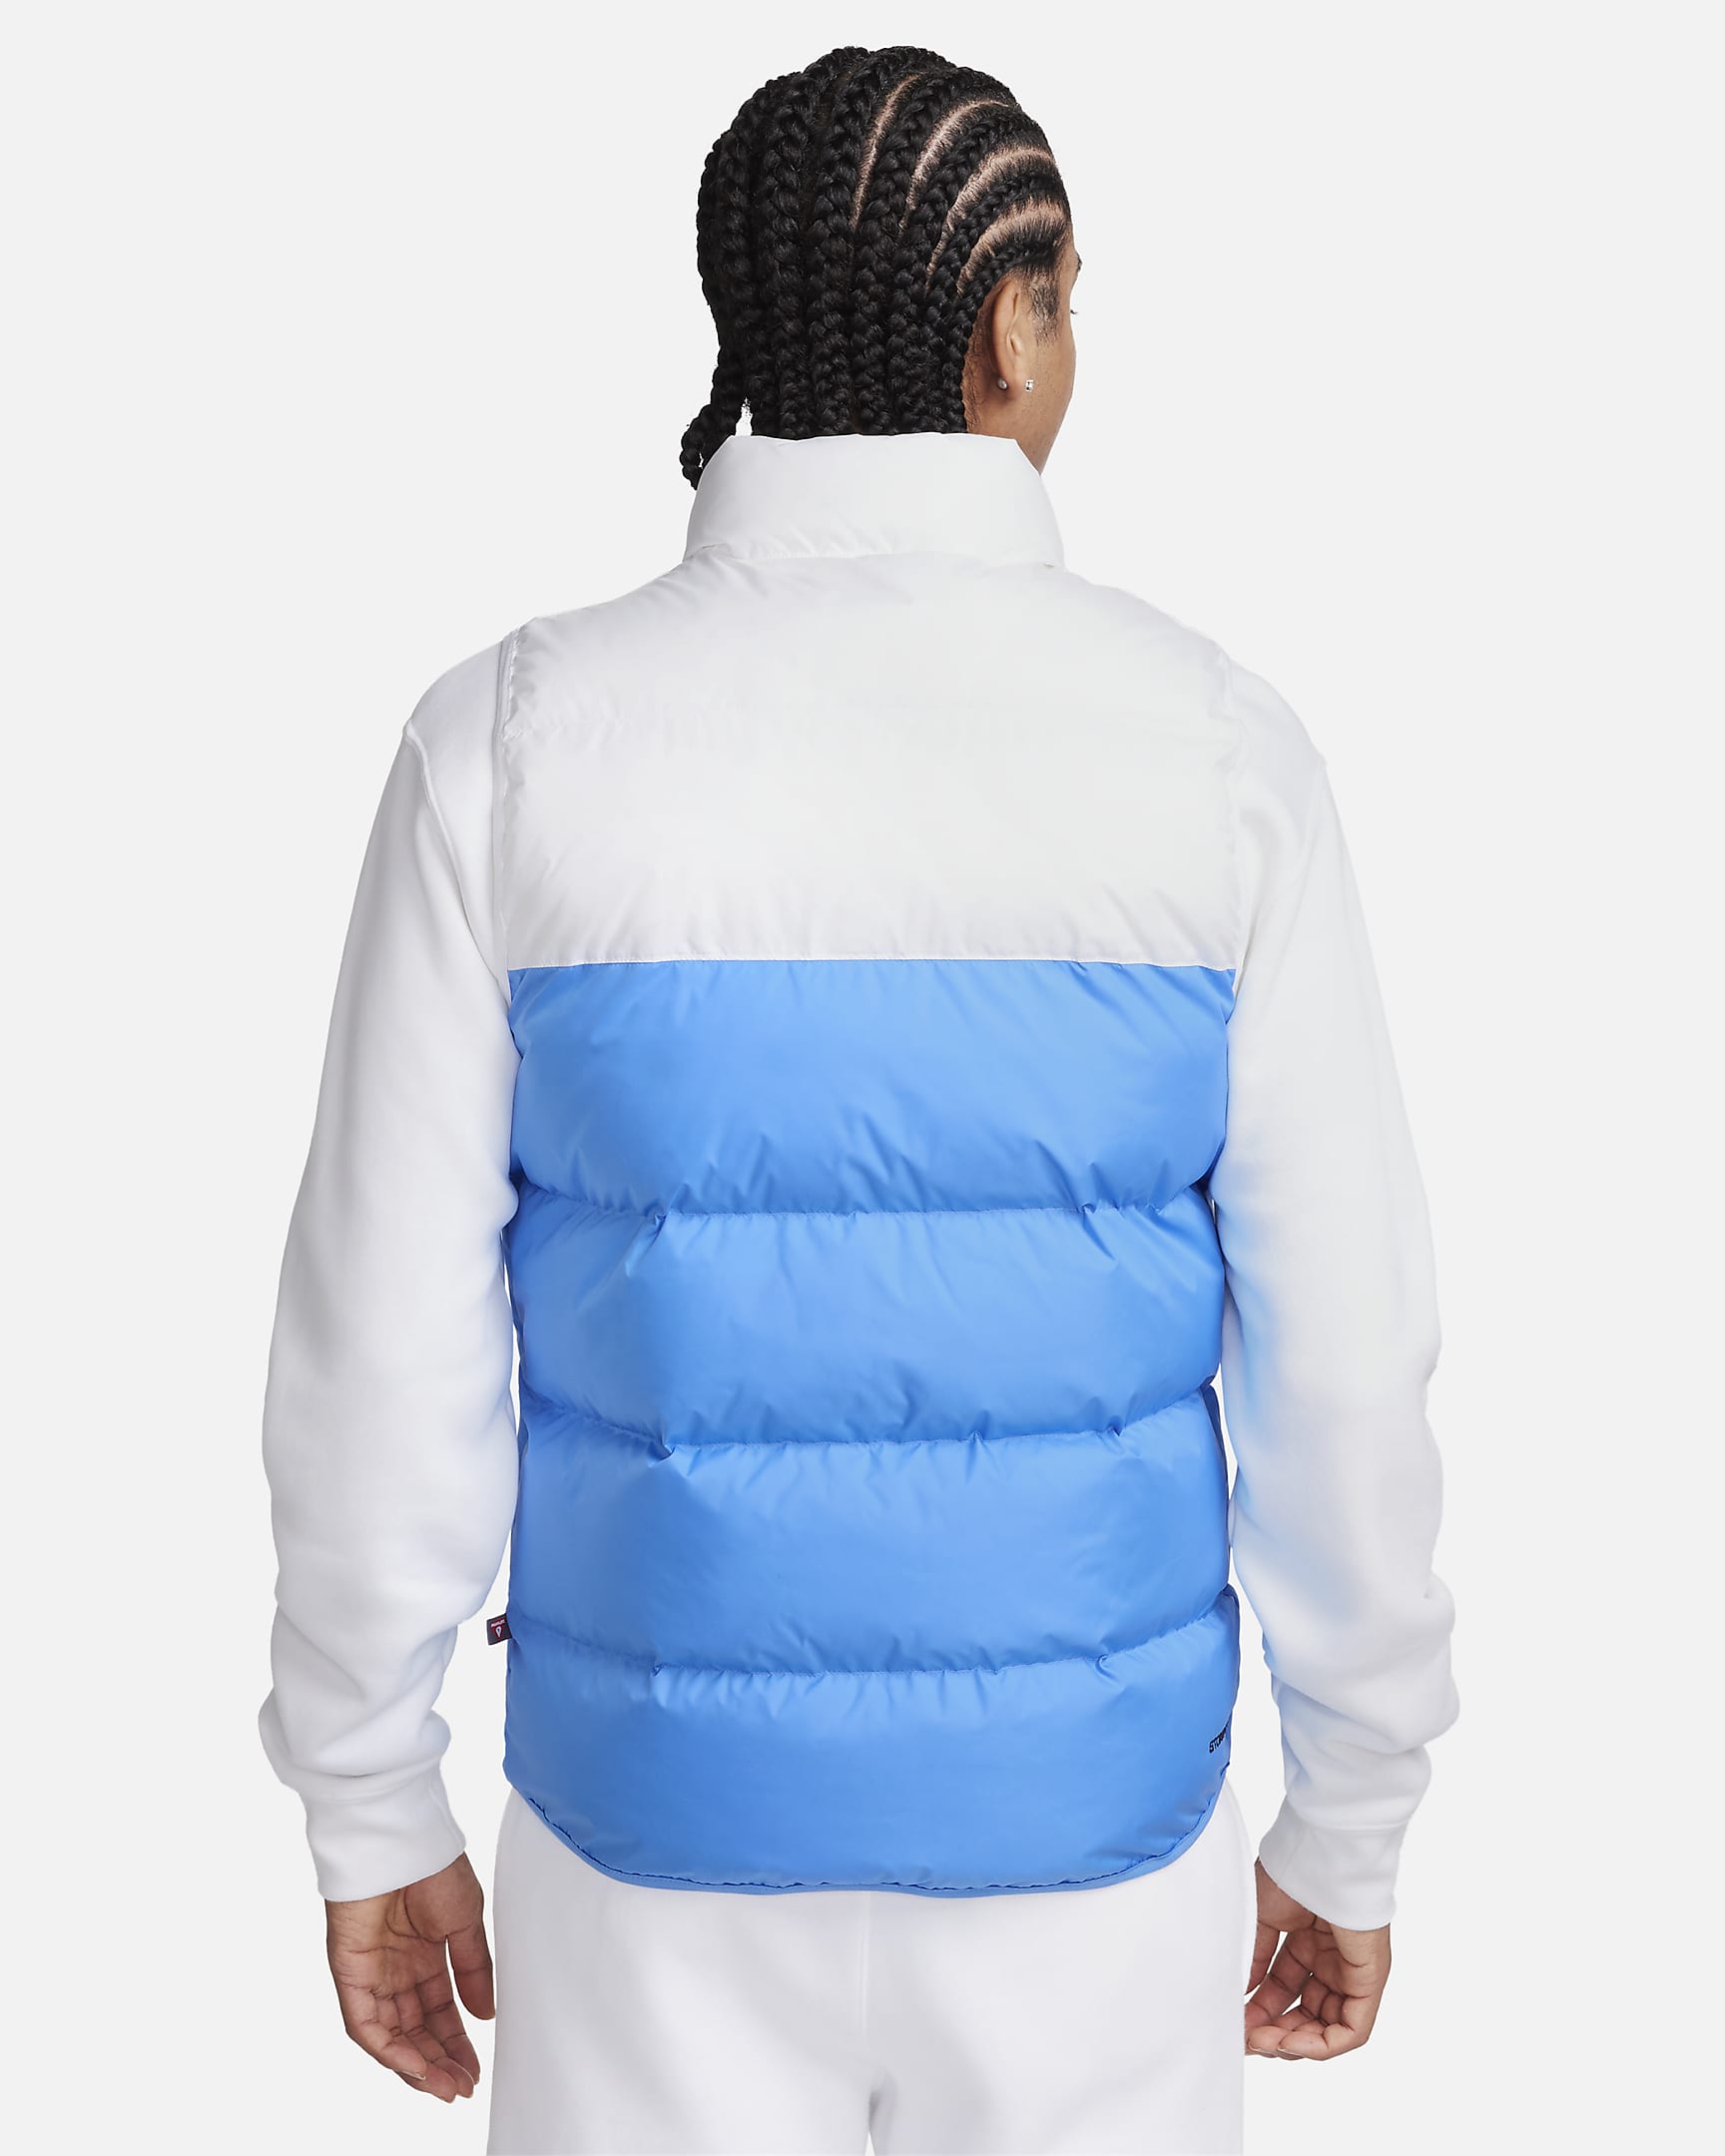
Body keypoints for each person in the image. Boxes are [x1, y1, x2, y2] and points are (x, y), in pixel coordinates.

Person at [259, 43, 1458, 2156]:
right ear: (1011, 326)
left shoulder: (511, 743)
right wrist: (1351, 1809)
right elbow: (1342, 1359)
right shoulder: (1214, 751)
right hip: (1093, 1870)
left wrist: (370, 1794)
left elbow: (381, 1344)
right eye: (1072, 294)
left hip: (651, 1864)